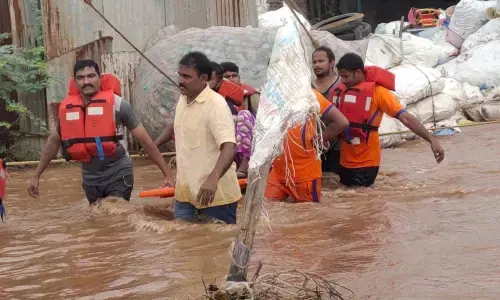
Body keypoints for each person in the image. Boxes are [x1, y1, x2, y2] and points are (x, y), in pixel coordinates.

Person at [26, 59, 173, 204]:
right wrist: (36, 176)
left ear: (100, 78)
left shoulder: (119, 105)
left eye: (91, 76)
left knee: (116, 215)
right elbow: (53, 142)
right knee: (99, 219)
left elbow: (146, 142)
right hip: (90, 178)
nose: (86, 82)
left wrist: (167, 175)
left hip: (119, 173)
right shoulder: (68, 109)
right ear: (75, 81)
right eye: (81, 78)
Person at [334, 53, 445, 187]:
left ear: (358, 72)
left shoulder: (379, 92)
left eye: (346, 76)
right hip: (343, 160)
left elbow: (406, 118)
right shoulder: (341, 92)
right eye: (341, 77)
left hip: (366, 162)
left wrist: (432, 139)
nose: (343, 81)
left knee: (361, 203)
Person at [155, 52, 241, 224]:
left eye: (187, 76)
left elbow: (229, 146)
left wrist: (213, 178)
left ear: (203, 78)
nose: (180, 81)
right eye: (179, 75)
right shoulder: (182, 99)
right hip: (185, 196)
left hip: (215, 196)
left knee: (216, 247)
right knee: (185, 246)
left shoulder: (216, 105)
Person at [264, 89, 349, 203]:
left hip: (305, 175)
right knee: (265, 209)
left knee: (309, 215)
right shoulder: (272, 95)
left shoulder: (311, 95)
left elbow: (342, 122)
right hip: (278, 172)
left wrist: (322, 138)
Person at [208, 62, 254, 178]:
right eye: (227, 77)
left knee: (244, 114)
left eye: (234, 76)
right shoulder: (209, 98)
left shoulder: (252, 96)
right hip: (224, 153)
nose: (231, 79)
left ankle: (245, 164)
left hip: (253, 149)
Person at [311, 46, 342, 174]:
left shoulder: (341, 83)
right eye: (314, 62)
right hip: (314, 145)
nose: (317, 65)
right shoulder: (308, 86)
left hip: (338, 145)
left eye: (321, 61)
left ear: (332, 62)